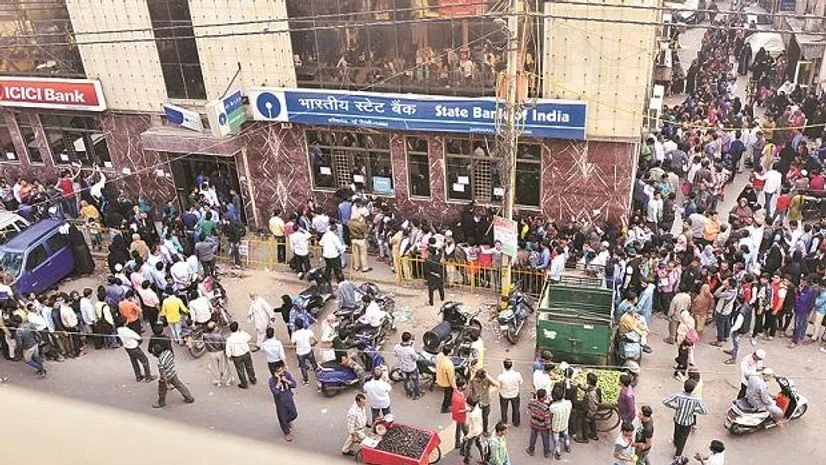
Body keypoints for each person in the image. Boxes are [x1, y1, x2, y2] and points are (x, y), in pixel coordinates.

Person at [663, 379, 708, 459]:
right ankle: (677, 455)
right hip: (687, 422)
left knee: (676, 431)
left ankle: (676, 442)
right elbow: (705, 411)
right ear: (693, 389)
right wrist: (694, 410)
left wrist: (674, 406)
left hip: (678, 418)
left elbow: (665, 401)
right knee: (683, 439)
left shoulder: (678, 395)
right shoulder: (696, 399)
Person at [151, 344, 195, 408]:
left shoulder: (160, 362)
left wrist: (166, 383)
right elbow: (172, 357)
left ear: (156, 354)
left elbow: (163, 373)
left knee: (161, 391)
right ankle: (189, 398)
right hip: (173, 373)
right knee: (180, 385)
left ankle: (161, 403)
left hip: (166, 377)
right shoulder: (168, 352)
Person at [269, 363, 299, 442]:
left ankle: (287, 421)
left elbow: (294, 384)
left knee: (294, 414)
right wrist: (278, 381)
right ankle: (287, 433)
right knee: (282, 418)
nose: (281, 372)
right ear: (275, 373)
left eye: (282, 370)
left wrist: (286, 380)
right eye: (279, 371)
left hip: (289, 399)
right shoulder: (272, 381)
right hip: (280, 402)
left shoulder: (287, 375)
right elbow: (275, 392)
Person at [225, 321, 256, 389]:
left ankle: (244, 383)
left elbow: (228, 349)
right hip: (246, 353)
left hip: (236, 356)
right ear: (237, 327)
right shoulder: (242, 334)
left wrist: (229, 356)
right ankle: (253, 379)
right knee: (249, 367)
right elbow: (249, 337)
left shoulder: (229, 339)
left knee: (240, 370)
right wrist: (241, 331)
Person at [203, 321, 234, 387]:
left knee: (215, 367)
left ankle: (218, 381)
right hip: (220, 352)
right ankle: (227, 381)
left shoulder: (205, 336)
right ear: (214, 328)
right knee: (224, 366)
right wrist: (226, 352)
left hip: (211, 353)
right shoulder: (218, 336)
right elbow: (223, 344)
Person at [469, 368, 498, 435]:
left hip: (486, 402)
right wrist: (474, 397)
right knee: (476, 418)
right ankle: (476, 430)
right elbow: (470, 390)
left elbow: (497, 385)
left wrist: (488, 376)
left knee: (485, 418)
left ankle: (485, 430)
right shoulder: (473, 380)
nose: (477, 380)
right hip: (476, 403)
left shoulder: (486, 379)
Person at [290, 319, 318, 386]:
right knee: (313, 363)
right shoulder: (308, 331)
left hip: (300, 353)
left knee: (303, 367)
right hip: (308, 350)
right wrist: (313, 344)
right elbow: (316, 340)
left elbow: (292, 343)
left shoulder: (294, 334)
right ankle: (318, 375)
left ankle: (306, 381)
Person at [575, 371, 600, 443]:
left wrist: (589, 414)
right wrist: (580, 387)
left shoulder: (591, 394)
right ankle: (594, 435)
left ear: (588, 381)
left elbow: (592, 406)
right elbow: (587, 390)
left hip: (590, 410)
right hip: (593, 410)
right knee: (592, 422)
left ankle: (585, 439)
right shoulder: (594, 388)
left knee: (585, 423)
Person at [394, 331, 421, 399]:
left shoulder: (397, 347)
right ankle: (417, 394)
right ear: (409, 340)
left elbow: (395, 354)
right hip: (412, 368)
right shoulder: (410, 350)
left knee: (405, 381)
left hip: (403, 368)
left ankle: (408, 393)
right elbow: (416, 358)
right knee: (416, 381)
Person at [526, 388, 551, 457]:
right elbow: (547, 419)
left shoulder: (532, 402)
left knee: (533, 437)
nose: (546, 396)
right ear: (543, 398)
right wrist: (549, 427)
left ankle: (531, 450)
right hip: (542, 426)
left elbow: (529, 408)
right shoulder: (545, 408)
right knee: (545, 439)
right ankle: (546, 452)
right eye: (545, 395)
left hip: (534, 423)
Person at [497, 358, 523, 427]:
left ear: (504, 366)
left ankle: (504, 422)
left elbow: (498, 385)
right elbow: (521, 382)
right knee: (516, 408)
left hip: (504, 395)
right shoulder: (517, 374)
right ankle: (516, 422)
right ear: (512, 365)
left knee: (504, 409)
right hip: (515, 394)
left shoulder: (500, 376)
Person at [549, 384, 572, 459]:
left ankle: (558, 452)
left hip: (556, 426)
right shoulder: (569, 403)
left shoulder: (552, 407)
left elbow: (551, 417)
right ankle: (567, 447)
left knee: (556, 439)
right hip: (565, 423)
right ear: (563, 394)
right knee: (566, 435)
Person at [462, 396, 485, 464]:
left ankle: (466, 460)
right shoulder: (478, 407)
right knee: (479, 444)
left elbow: (474, 430)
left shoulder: (473, 415)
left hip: (474, 432)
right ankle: (483, 457)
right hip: (480, 430)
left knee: (467, 447)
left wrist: (467, 436)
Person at [436, 345, 457, 414]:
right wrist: (455, 387)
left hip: (439, 377)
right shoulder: (449, 364)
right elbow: (451, 378)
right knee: (448, 395)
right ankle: (444, 408)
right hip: (446, 382)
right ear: (449, 352)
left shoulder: (439, 356)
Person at [452, 378, 469, 450]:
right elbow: (456, 411)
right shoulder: (457, 398)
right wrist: (466, 410)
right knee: (466, 431)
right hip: (460, 417)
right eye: (464, 385)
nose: (465, 386)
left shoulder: (457, 392)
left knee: (458, 429)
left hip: (460, 416)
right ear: (460, 387)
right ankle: (465, 442)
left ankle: (457, 443)